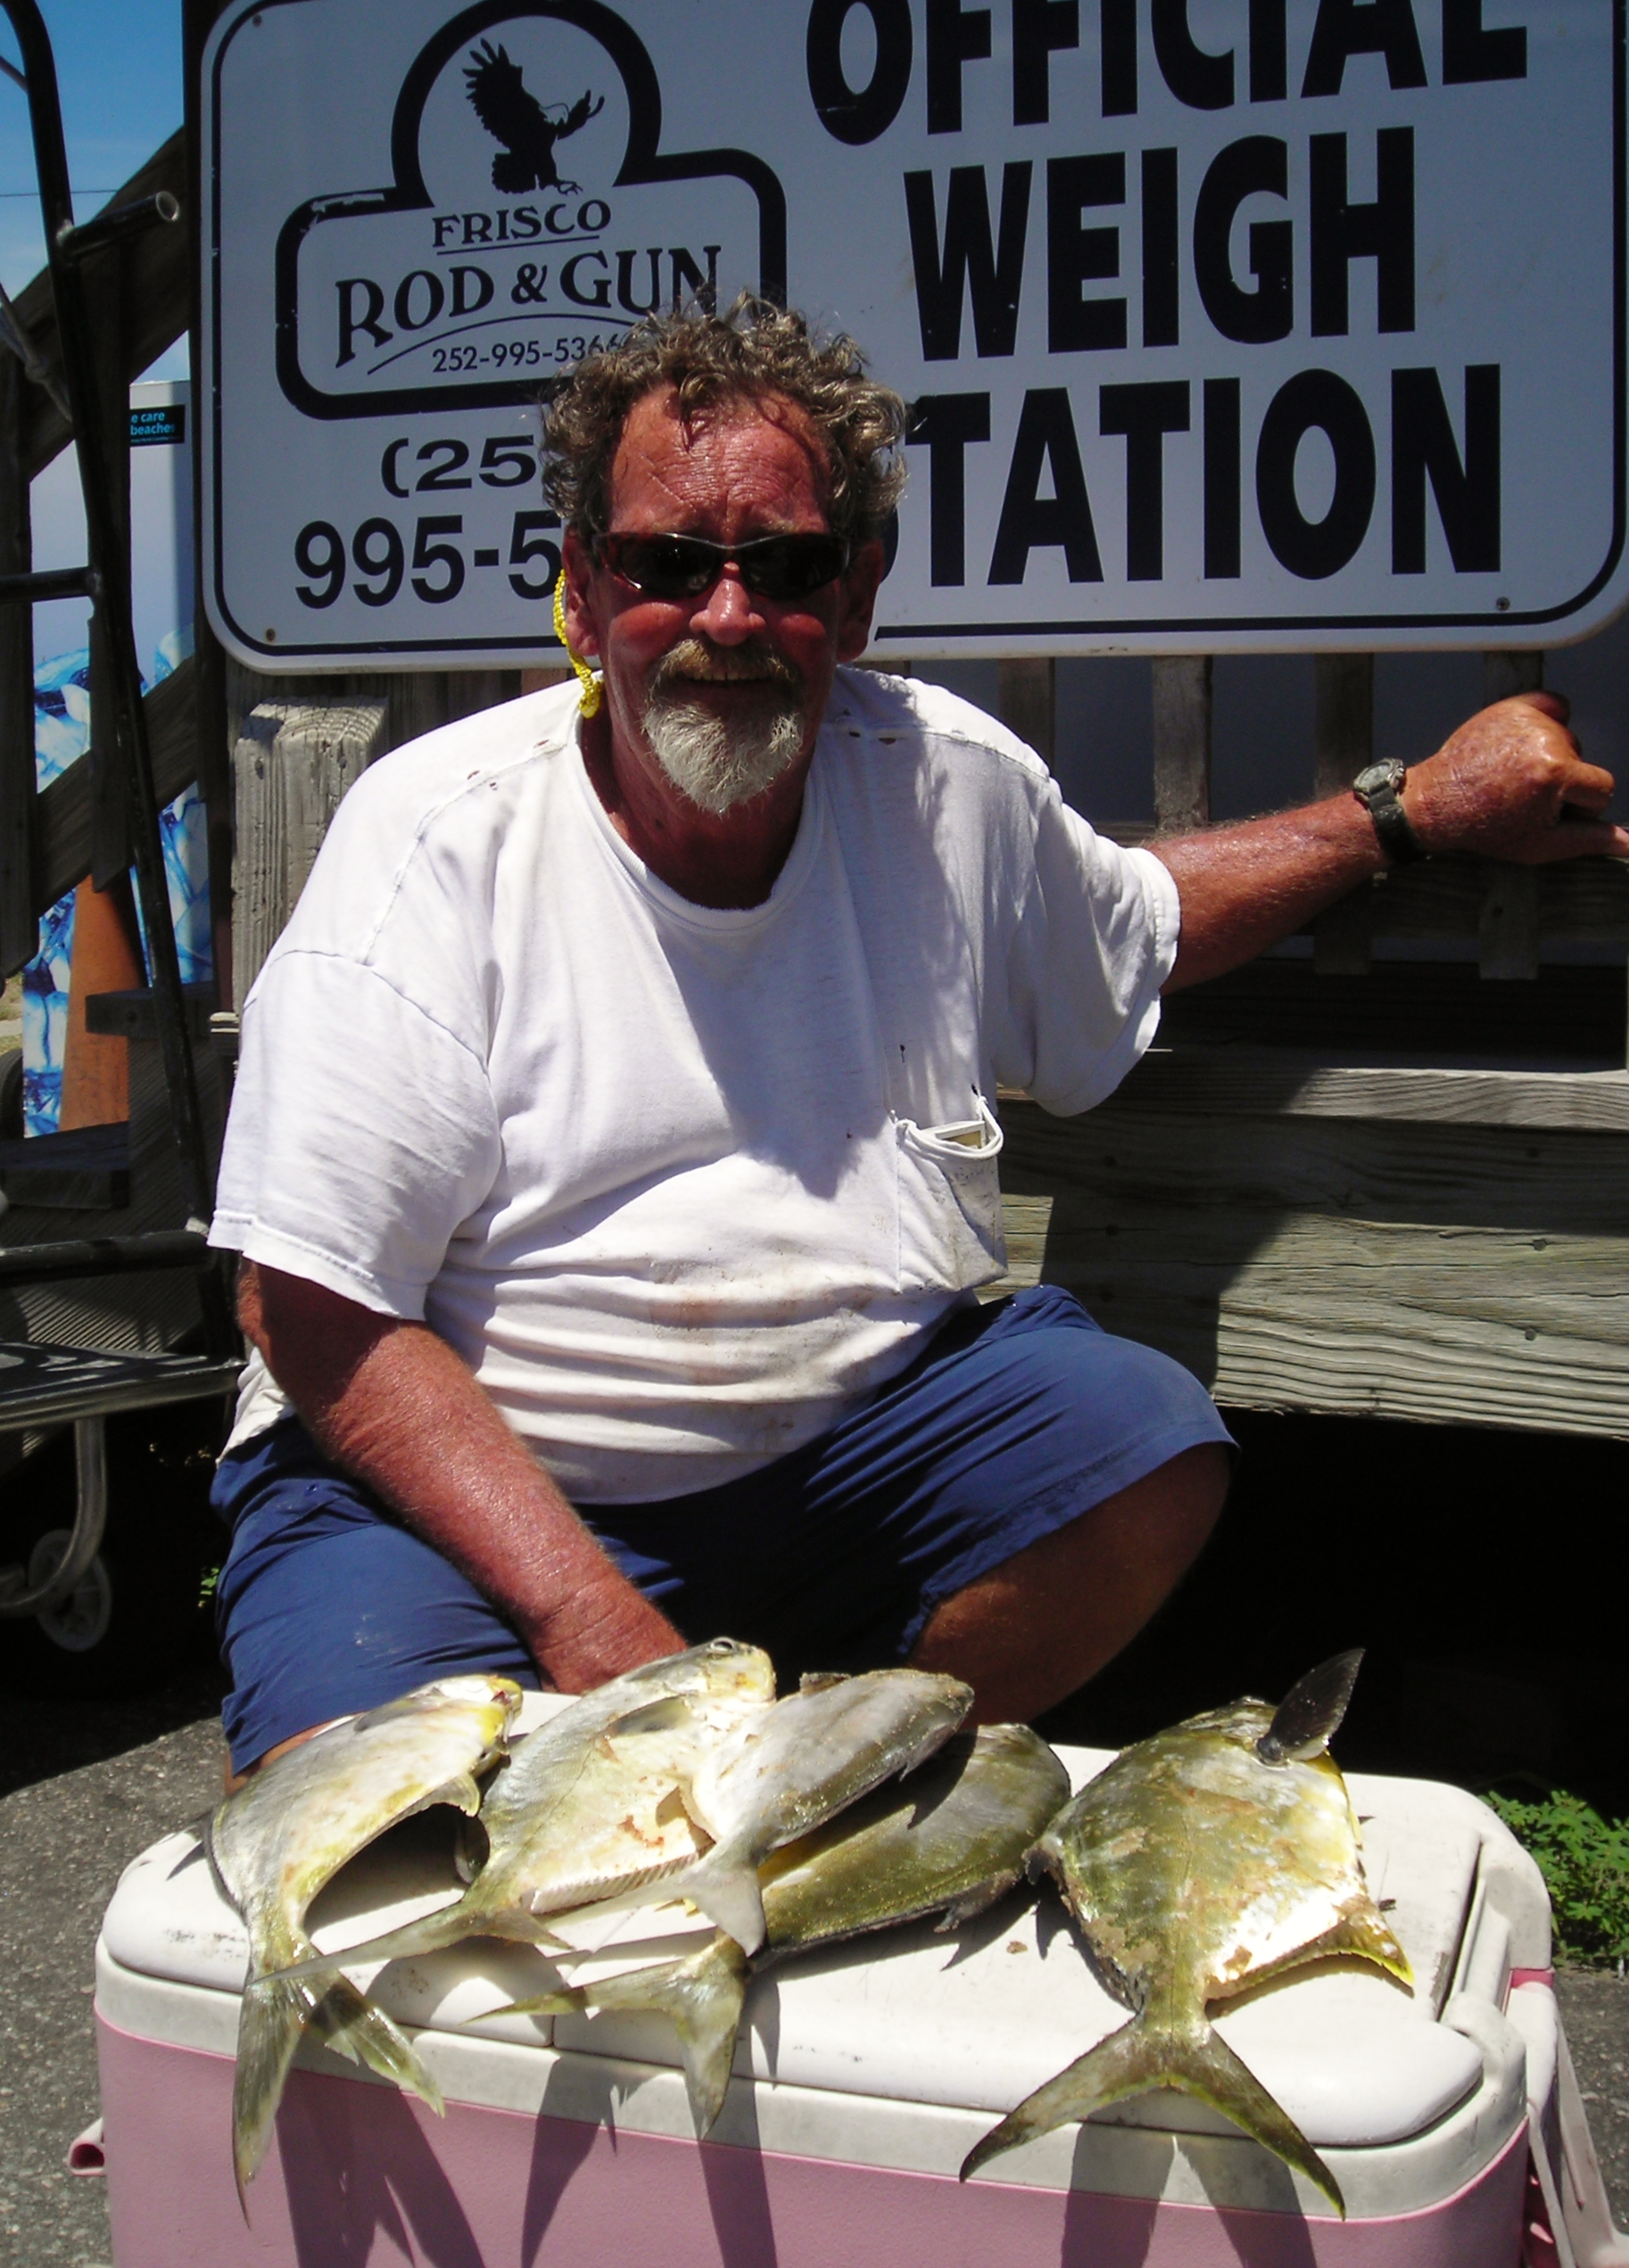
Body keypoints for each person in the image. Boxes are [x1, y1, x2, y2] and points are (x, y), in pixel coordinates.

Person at [207, 301, 1625, 1781]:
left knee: (1138, 1447)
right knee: (351, 1814)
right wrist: (595, 1626)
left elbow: (1135, 924)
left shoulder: (946, 783)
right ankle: (702, 1772)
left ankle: (817, 1797)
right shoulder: (435, 840)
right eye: (667, 562)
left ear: (860, 594)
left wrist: (1407, 815)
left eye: (789, 566)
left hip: (847, 1462)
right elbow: (308, 1303)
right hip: (479, 1503)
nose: (731, 617)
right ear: (579, 591)